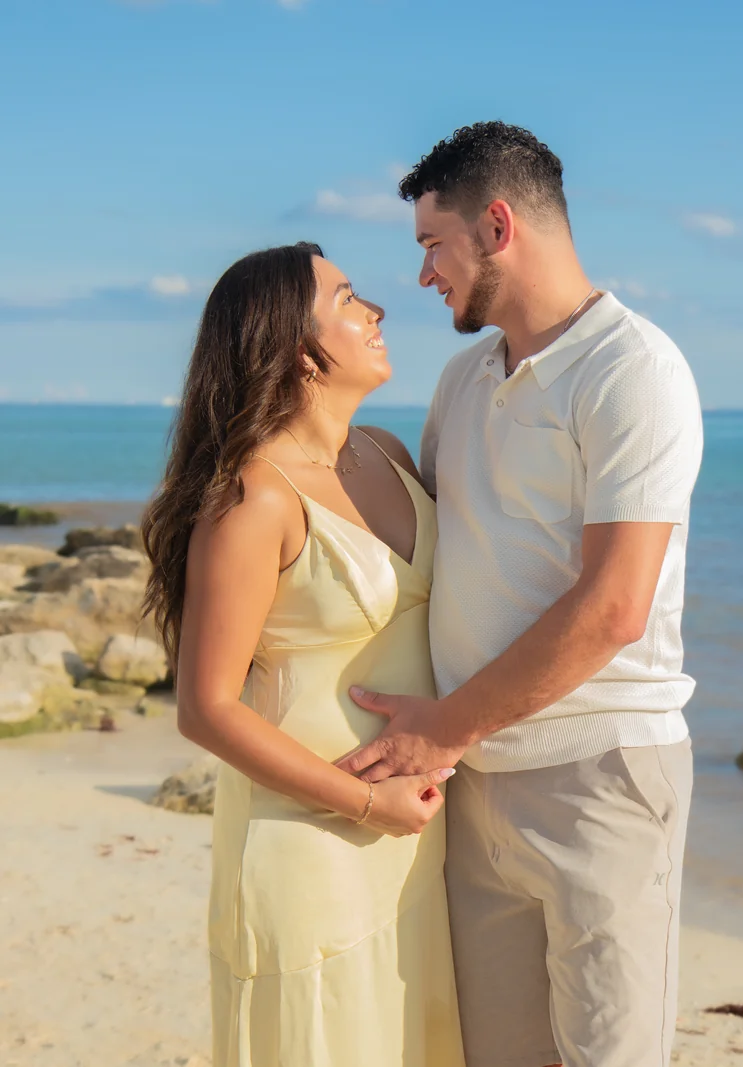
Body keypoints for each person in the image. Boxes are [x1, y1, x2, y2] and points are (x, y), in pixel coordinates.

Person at [338, 122, 704, 1067]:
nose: (424, 276)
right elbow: (416, 557)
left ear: (496, 225)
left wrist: (446, 725)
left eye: (433, 244)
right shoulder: (462, 381)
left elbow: (616, 605)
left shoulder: (634, 372)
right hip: (473, 786)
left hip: (604, 779)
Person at [140, 244, 464, 1067]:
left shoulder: (387, 451)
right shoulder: (251, 497)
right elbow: (206, 708)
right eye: (349, 299)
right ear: (296, 347)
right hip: (310, 842)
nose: (376, 311)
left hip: (414, 840)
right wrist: (364, 806)